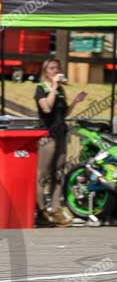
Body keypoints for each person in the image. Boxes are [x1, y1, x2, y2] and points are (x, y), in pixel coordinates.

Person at [35, 57, 87, 226]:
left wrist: (75, 102)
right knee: (42, 175)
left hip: (60, 134)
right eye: (51, 68)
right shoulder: (41, 88)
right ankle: (41, 210)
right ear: (45, 72)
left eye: (57, 68)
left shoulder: (60, 91)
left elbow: (63, 114)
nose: (55, 71)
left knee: (58, 173)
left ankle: (56, 209)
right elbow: (47, 108)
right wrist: (54, 86)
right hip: (47, 136)